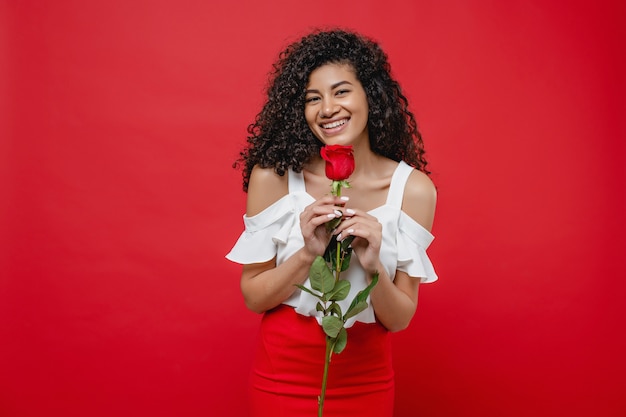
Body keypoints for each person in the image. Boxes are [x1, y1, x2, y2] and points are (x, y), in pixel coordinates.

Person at [226, 28, 438, 417]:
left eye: (341, 91)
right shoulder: (273, 177)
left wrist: (374, 266)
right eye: (312, 98)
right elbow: (253, 296)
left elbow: (400, 318)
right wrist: (306, 254)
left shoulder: (414, 190)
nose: (326, 109)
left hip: (367, 381)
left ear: (370, 96)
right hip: (281, 378)